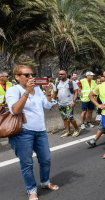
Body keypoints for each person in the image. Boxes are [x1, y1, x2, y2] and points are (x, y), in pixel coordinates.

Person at [6, 65, 59, 200]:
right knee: (27, 163)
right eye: (27, 75)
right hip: (23, 133)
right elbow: (15, 110)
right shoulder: (13, 90)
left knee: (46, 159)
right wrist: (27, 91)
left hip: (40, 131)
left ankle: (45, 183)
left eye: (32, 74)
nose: (31, 77)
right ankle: (31, 190)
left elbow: (48, 106)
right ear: (17, 77)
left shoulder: (37, 90)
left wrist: (48, 93)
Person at [52, 70, 81, 138]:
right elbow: (54, 93)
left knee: (70, 117)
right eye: (59, 74)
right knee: (64, 118)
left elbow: (76, 92)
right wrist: (52, 103)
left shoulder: (71, 82)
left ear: (66, 74)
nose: (60, 75)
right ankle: (68, 132)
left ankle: (77, 129)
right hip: (61, 104)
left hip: (69, 103)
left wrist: (74, 101)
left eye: (62, 74)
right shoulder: (57, 83)